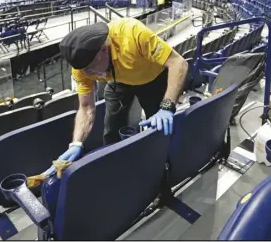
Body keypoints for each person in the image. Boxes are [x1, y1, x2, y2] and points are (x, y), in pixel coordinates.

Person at [28, 17, 188, 184]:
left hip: (152, 78)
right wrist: (76, 143)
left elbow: (179, 63)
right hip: (118, 80)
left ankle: (160, 172)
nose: (88, 75)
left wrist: (167, 106)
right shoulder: (82, 68)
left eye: (90, 69)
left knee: (157, 128)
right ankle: (113, 169)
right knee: (111, 127)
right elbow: (86, 108)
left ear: (104, 50)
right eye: (83, 71)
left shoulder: (133, 33)